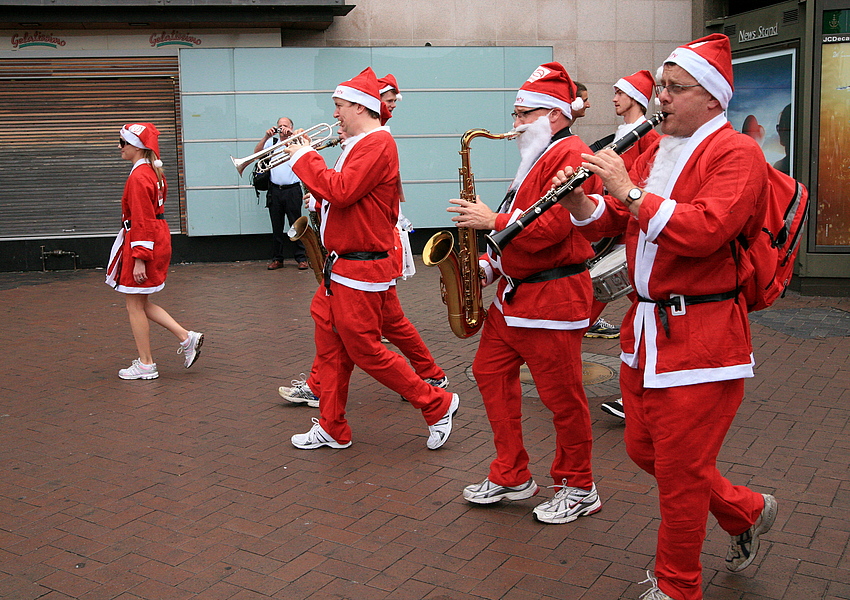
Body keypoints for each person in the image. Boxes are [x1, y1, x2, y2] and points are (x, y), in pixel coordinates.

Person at [554, 34, 777, 599]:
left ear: (712, 98)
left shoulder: (737, 153)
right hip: (648, 332)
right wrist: (580, 201)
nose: (662, 98)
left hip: (702, 338)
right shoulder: (657, 147)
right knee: (643, 450)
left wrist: (627, 191)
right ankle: (744, 509)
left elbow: (705, 228)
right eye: (662, 87)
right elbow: (613, 219)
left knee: (680, 475)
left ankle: (678, 586)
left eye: (676, 89)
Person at [448, 62, 602, 524]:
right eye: (515, 114)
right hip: (516, 298)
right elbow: (515, 228)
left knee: (563, 398)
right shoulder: (536, 156)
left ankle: (579, 485)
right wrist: (483, 269)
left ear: (554, 115)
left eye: (522, 114)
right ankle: (512, 472)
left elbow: (551, 228)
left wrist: (489, 222)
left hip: (552, 299)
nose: (514, 124)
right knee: (488, 372)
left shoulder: (570, 154)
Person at [283, 67, 459, 451]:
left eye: (339, 106)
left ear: (360, 107)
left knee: (364, 349)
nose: (335, 115)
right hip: (343, 266)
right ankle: (331, 425)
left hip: (361, 266)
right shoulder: (361, 144)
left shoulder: (378, 143)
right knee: (330, 347)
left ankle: (436, 402)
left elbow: (343, 190)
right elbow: (346, 198)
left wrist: (304, 158)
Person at [106, 123, 204, 380]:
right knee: (140, 302)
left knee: (134, 305)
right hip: (155, 236)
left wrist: (139, 257)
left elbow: (141, 218)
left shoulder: (139, 176)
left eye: (122, 142)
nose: (119, 147)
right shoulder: (153, 172)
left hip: (143, 239)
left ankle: (147, 363)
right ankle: (186, 337)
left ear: (136, 146)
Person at [595, 69, 661, 419]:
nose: (614, 98)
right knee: (625, 310)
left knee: (637, 314)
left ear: (636, 98)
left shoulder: (649, 137)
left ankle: (638, 396)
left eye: (620, 92)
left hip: (632, 229)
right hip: (615, 225)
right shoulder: (621, 134)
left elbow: (644, 184)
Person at [256, 117, 308, 270]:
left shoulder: (296, 142)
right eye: (280, 126)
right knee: (276, 227)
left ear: (291, 127)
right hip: (275, 191)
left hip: (292, 190)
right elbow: (256, 153)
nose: (282, 128)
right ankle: (277, 259)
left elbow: (307, 150)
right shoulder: (271, 143)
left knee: (296, 225)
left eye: (285, 126)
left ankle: (301, 258)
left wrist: (292, 135)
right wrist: (267, 136)